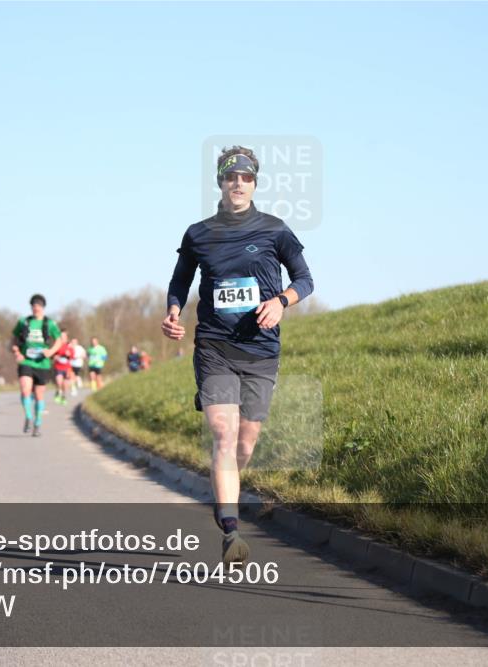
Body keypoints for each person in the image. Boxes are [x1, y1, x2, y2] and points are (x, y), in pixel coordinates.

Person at [162, 145, 314, 565]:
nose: (238, 184)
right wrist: (173, 311)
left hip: (261, 350)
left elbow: (305, 279)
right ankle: (231, 529)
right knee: (224, 435)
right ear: (221, 182)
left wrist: (282, 301)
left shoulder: (274, 229)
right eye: (231, 177)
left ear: (254, 183)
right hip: (214, 346)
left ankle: (224, 488)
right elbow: (179, 282)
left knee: (245, 442)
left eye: (246, 178)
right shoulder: (198, 233)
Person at [11, 294, 63, 437]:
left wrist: (51, 351)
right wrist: (16, 352)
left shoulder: (50, 323)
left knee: (39, 396)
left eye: (38, 306)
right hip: (26, 360)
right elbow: (14, 339)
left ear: (43, 307)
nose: (35, 308)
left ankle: (38, 423)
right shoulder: (24, 322)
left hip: (42, 363)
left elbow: (59, 340)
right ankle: (28, 416)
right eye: (33, 306)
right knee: (25, 389)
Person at [53, 332, 75, 405]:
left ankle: (63, 396)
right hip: (58, 367)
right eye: (61, 337)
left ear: (66, 338)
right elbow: (51, 355)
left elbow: (72, 357)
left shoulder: (69, 347)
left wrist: (69, 355)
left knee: (65, 384)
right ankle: (58, 391)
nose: (62, 339)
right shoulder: (56, 346)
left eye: (64, 337)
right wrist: (55, 357)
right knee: (59, 382)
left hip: (67, 368)